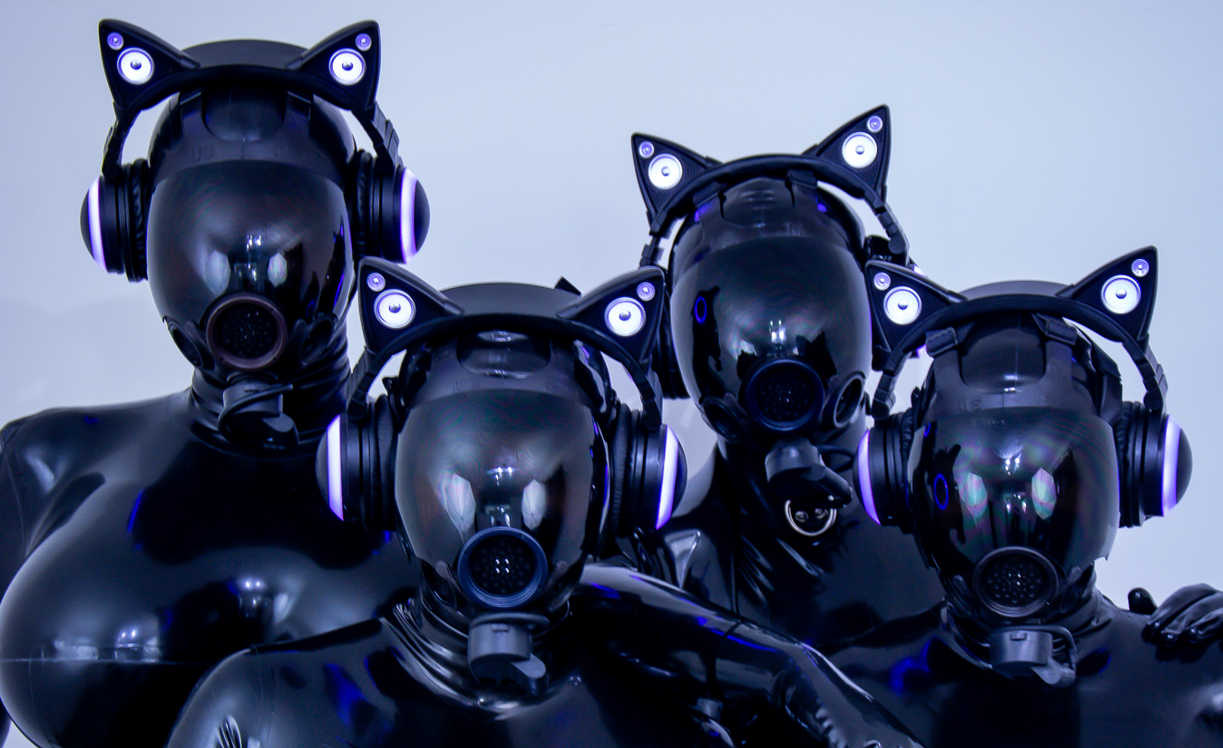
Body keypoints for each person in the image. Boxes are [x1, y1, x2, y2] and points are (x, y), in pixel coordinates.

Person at [166, 260, 923, 748]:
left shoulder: (685, 716)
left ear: (620, 487)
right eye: (461, 468)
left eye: (545, 471)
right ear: (376, 473)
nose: (502, 518)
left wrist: (792, 672)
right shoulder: (261, 708)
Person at [626, 108, 1223, 652]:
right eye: (729, 315)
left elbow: (1034, 666)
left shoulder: (958, 510)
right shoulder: (659, 567)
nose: (779, 355)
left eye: (817, 307)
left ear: (881, 323)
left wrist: (1141, 653)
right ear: (667, 353)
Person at [0, 21, 425, 748]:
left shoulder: (451, 492)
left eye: (286, 220)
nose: (245, 270)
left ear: (372, 225)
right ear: (129, 235)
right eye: (202, 221)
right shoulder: (41, 464)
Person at [835, 249, 1223, 746]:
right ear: (898, 485)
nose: (1013, 523)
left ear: (1133, 473)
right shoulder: (846, 692)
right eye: (975, 486)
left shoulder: (1197, 681)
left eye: (1050, 486)